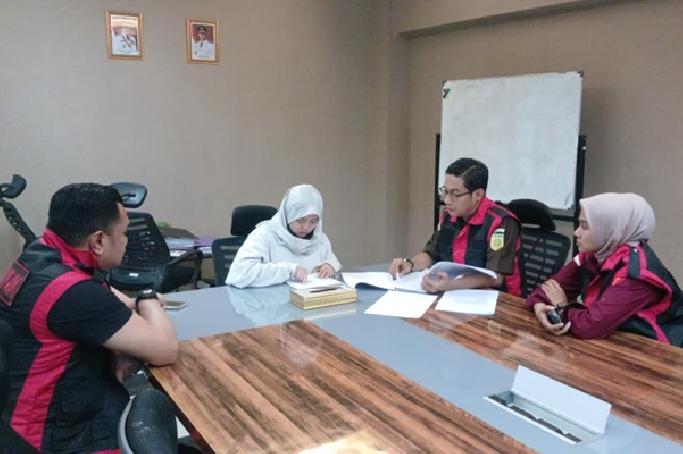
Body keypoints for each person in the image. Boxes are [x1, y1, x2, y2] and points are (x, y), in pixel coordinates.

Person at [0, 183, 178, 452]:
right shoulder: (74, 294)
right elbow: (166, 349)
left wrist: (130, 309)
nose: (126, 241)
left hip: (20, 420)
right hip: (57, 437)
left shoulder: (38, 256)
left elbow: (101, 296)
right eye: (123, 233)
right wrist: (148, 297)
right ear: (98, 241)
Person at [526, 193, 683, 345]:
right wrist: (539, 306)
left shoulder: (637, 274)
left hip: (657, 351)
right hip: (613, 341)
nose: (576, 233)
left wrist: (562, 308)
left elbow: (590, 326)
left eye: (584, 226)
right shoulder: (592, 256)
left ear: (609, 228)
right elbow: (548, 289)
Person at [389, 157, 522, 296]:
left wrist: (451, 285)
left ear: (478, 194)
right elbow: (431, 254)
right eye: (445, 192)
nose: (447, 200)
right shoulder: (448, 215)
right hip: (455, 294)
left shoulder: (500, 222)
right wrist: (409, 264)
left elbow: (496, 278)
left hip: (499, 300)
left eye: (455, 194)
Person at [227, 184, 341, 288]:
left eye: (313, 221)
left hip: (310, 301)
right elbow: (239, 274)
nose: (307, 228)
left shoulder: (319, 239)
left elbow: (330, 258)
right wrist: (289, 270)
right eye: (300, 220)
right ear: (288, 214)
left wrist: (330, 265)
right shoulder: (264, 235)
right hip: (268, 301)